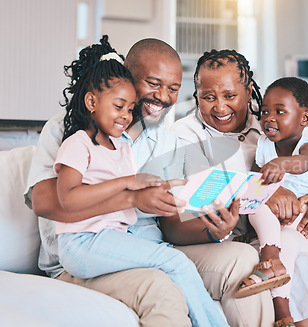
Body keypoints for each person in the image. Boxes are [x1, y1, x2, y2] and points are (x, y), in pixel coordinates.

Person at [25, 38, 273, 327]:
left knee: (242, 258)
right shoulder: (71, 126)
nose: (163, 97)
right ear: (127, 76)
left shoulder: (164, 138)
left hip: (150, 249)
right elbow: (45, 201)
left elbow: (170, 226)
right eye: (154, 83)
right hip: (85, 260)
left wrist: (215, 229)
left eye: (173, 89)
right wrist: (132, 197)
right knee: (159, 284)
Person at [170, 49, 308, 327]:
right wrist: (267, 190)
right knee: (296, 264)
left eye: (230, 96)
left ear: (248, 91)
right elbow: (179, 214)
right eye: (208, 97)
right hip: (244, 236)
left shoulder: (269, 121)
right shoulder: (183, 136)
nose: (220, 107)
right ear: (196, 94)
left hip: (293, 227)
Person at [234, 77, 308, 326]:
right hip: (296, 237)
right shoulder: (264, 144)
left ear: (304, 119)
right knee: (260, 205)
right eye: (264, 111)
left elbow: (304, 163)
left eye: (279, 111)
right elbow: (254, 179)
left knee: (262, 203)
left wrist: (280, 164)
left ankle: (269, 260)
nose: (268, 118)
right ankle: (283, 311)